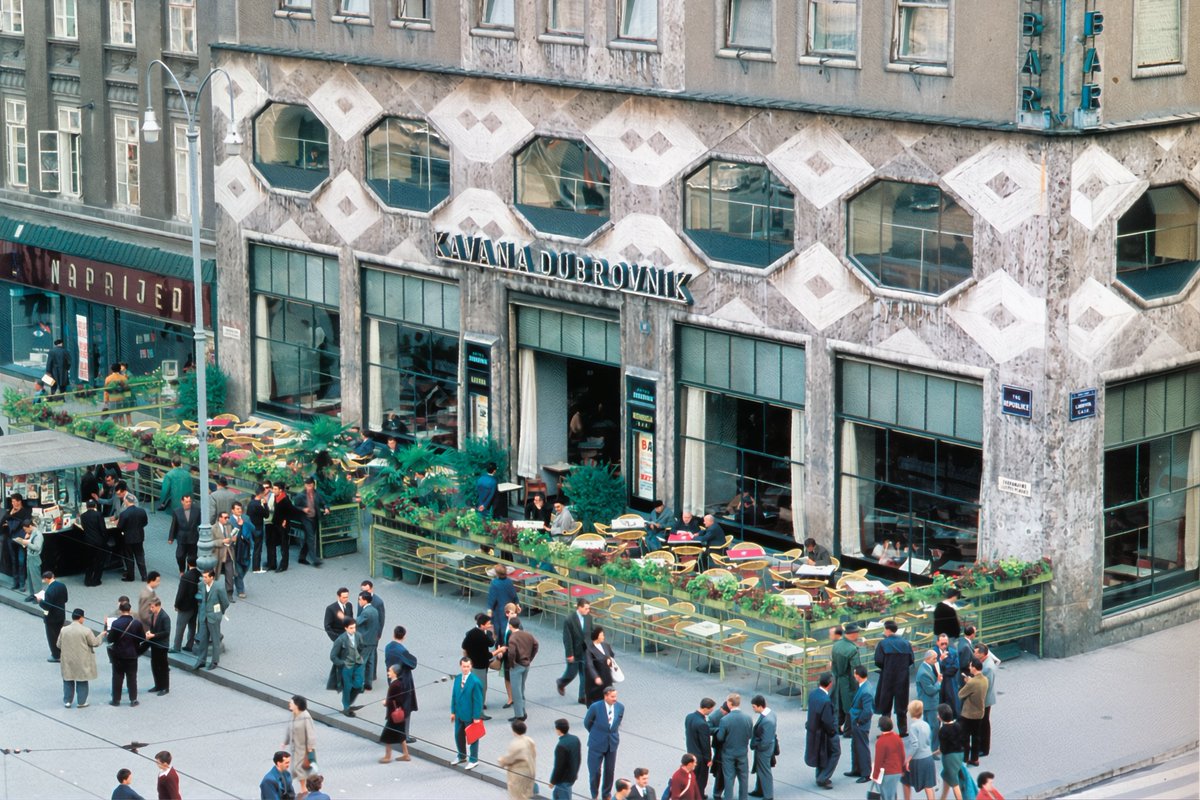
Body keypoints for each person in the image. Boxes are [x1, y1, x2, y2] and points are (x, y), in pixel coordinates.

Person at [583, 686, 624, 800]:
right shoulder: (595, 707)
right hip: (596, 743)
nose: (615, 699)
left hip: (612, 744)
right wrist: (596, 734)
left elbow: (618, 722)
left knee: (610, 771)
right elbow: (587, 722)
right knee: (595, 771)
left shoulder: (620, 707)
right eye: (612, 696)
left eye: (615, 696)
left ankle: (606, 794)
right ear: (605, 696)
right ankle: (594, 794)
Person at [874, 621, 914, 737]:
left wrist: (887, 668)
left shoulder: (883, 644)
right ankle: (903, 730)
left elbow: (878, 661)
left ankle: (886, 730)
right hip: (902, 677)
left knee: (886, 705)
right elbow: (911, 660)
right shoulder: (906, 643)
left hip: (887, 677)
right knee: (902, 704)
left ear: (887, 629)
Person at [58, 607, 101, 708]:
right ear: (81, 618)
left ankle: (67, 701)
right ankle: (81, 702)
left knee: (68, 679)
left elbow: (58, 644)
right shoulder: (86, 631)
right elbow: (94, 643)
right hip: (82, 660)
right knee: (82, 680)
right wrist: (101, 636)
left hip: (68, 660)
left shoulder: (64, 630)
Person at [805, 673, 840, 791]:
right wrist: (833, 732)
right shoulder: (826, 701)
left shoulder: (813, 694)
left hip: (814, 730)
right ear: (830, 684)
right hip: (825, 733)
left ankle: (819, 775)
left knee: (821, 754)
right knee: (835, 752)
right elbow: (828, 721)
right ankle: (823, 777)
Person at [716, 692, 752, 800]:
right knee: (744, 778)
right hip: (742, 752)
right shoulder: (748, 718)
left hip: (728, 753)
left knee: (729, 778)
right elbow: (750, 735)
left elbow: (720, 737)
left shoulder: (725, 720)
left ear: (730, 703)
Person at [450, 655, 485, 770]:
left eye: (468, 666)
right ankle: (461, 756)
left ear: (471, 667)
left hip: (470, 715)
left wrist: (476, 716)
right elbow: (454, 695)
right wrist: (453, 711)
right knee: (458, 735)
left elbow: (478, 701)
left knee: (473, 737)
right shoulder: (458, 678)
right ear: (460, 666)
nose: (466, 669)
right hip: (459, 714)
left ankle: (473, 760)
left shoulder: (475, 681)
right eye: (464, 666)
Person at [107, 600, 144, 707]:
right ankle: (133, 699)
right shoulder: (137, 623)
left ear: (120, 610)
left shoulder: (116, 623)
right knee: (132, 677)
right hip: (132, 654)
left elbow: (110, 639)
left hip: (118, 654)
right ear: (130, 610)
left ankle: (116, 700)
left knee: (117, 677)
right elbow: (142, 638)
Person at [557, 597, 592, 704]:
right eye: (586, 608)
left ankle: (582, 696)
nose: (588, 611)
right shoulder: (569, 620)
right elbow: (567, 639)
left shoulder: (589, 617)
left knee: (585, 674)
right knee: (571, 673)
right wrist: (569, 654)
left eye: (588, 608)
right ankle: (561, 682)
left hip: (585, 650)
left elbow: (591, 632)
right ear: (579, 607)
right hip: (574, 651)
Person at [193, 569, 229, 671]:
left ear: (211, 577)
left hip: (214, 617)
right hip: (204, 616)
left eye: (205, 577)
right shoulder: (201, 585)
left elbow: (225, 602)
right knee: (203, 639)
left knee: (215, 640)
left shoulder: (219, 588)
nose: (203, 579)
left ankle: (214, 661)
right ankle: (201, 661)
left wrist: (219, 613)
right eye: (203, 576)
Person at [461, 613, 496, 717]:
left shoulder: (471, 633)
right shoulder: (482, 635)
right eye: (488, 624)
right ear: (482, 625)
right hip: (480, 666)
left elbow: (464, 646)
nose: (490, 625)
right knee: (481, 688)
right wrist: (499, 650)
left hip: (473, 663)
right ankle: (479, 713)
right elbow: (489, 649)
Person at [505, 616, 538, 722]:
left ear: (510, 626)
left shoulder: (512, 638)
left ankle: (519, 715)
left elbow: (511, 653)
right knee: (522, 688)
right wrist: (530, 658)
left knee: (516, 691)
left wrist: (512, 664)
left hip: (517, 666)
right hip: (526, 665)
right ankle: (523, 711)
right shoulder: (528, 635)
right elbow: (536, 645)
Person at [830, 623, 861, 735]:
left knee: (839, 703)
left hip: (837, 678)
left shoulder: (836, 645)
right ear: (853, 634)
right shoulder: (852, 650)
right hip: (848, 681)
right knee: (850, 705)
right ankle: (848, 730)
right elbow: (855, 669)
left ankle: (837, 726)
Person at [330, 619, 366, 716]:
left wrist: (360, 657)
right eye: (351, 628)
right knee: (347, 687)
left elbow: (361, 647)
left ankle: (349, 701)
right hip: (347, 666)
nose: (354, 630)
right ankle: (346, 707)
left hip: (358, 663)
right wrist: (342, 663)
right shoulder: (340, 640)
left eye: (354, 627)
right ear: (345, 628)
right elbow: (333, 656)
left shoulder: (358, 635)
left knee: (359, 684)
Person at [902, 701, 936, 800]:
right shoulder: (926, 724)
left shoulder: (913, 727)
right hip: (928, 757)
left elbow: (915, 745)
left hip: (918, 760)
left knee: (905, 781)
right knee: (928, 785)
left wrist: (908, 759)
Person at [380, 663, 414, 762]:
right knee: (401, 735)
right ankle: (406, 754)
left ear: (395, 673)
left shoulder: (395, 685)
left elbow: (397, 700)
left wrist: (386, 702)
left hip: (393, 715)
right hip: (399, 714)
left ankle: (387, 756)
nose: (388, 673)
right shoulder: (398, 683)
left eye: (390, 671)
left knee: (387, 736)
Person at [957, 658, 988, 766]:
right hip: (979, 713)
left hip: (969, 714)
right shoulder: (985, 679)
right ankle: (975, 759)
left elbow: (960, 694)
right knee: (976, 737)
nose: (969, 668)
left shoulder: (972, 683)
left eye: (970, 666)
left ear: (974, 668)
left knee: (965, 737)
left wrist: (968, 683)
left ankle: (965, 759)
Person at [845, 665, 874, 782]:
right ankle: (856, 769)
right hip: (857, 722)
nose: (854, 676)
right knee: (855, 746)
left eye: (855, 673)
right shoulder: (864, 687)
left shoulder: (866, 691)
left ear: (858, 675)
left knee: (862, 748)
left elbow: (868, 711)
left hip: (860, 724)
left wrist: (859, 721)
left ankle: (866, 773)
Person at [323, 588, 355, 691]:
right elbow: (327, 626)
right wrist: (337, 639)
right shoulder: (331, 609)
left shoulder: (349, 605)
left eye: (347, 597)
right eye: (344, 597)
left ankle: (336, 682)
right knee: (340, 659)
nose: (346, 599)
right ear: (338, 597)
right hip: (339, 638)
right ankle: (340, 682)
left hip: (349, 637)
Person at [497, 719, 538, 800]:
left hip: (518, 773)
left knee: (517, 796)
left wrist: (501, 761)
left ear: (514, 730)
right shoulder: (529, 740)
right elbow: (534, 754)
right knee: (525, 794)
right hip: (530, 770)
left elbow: (509, 759)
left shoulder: (515, 744)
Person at [684, 698, 715, 798]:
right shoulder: (702, 724)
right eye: (711, 709)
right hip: (700, 757)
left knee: (692, 777)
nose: (711, 711)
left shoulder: (689, 717)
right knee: (701, 780)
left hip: (690, 752)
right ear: (706, 708)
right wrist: (708, 759)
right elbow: (705, 744)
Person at [294, 476, 327, 568]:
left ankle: (302, 557)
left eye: (311, 485)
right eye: (307, 485)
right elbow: (295, 507)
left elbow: (323, 502)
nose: (309, 487)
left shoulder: (317, 494)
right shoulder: (300, 496)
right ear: (305, 486)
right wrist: (303, 509)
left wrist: (326, 508)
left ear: (313, 485)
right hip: (305, 519)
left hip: (314, 518)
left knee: (308, 538)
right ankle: (315, 560)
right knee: (311, 537)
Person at [284, 695, 317, 783]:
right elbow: (289, 729)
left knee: (300, 769)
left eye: (291, 703)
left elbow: (311, 733)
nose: (289, 704)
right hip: (295, 748)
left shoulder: (306, 716)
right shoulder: (293, 714)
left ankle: (304, 787)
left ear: (297, 705)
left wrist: (310, 748)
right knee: (296, 768)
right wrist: (285, 741)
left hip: (303, 749)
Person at [2, 493, 31, 593]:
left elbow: (24, 523)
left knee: (21, 561)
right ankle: (16, 582)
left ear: (19, 502)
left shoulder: (25, 512)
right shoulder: (10, 511)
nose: (13, 503)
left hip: (20, 540)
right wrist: (10, 515)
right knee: (14, 561)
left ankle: (22, 584)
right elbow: (3, 521)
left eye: (14, 501)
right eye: (12, 502)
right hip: (11, 539)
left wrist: (9, 522)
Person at [871, 716, 906, 800]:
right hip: (897, 770)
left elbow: (878, 761)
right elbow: (902, 754)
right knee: (892, 793)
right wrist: (903, 769)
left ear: (880, 727)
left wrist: (875, 776)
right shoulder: (897, 737)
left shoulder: (880, 741)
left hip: (887, 772)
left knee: (886, 795)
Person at [749, 695, 776, 800]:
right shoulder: (770, 714)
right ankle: (759, 790)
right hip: (764, 748)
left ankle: (768, 795)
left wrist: (758, 746)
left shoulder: (768, 720)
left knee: (764, 771)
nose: (753, 709)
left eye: (754, 707)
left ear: (760, 706)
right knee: (760, 770)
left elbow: (766, 741)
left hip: (764, 750)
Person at [171, 558, 200, 653]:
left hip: (185, 606)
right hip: (195, 605)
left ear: (188, 563)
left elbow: (181, 593)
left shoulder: (185, 576)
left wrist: (176, 604)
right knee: (192, 626)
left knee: (180, 627)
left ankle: (176, 647)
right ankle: (189, 645)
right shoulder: (199, 575)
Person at [936, 704, 965, 800]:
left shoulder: (943, 730)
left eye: (938, 714)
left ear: (941, 716)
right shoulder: (958, 726)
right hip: (959, 754)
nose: (937, 716)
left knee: (954, 782)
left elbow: (942, 749)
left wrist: (933, 753)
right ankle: (943, 798)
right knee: (946, 776)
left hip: (949, 758)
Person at [915, 650, 943, 750]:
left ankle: (928, 746)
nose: (936, 660)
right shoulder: (924, 673)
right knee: (934, 727)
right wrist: (938, 682)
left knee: (928, 726)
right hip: (930, 704)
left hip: (928, 703)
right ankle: (934, 748)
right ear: (927, 659)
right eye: (934, 659)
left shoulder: (927, 667)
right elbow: (930, 690)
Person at [144, 599, 171, 696]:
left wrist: (154, 635)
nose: (151, 609)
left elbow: (166, 632)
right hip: (154, 644)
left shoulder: (165, 617)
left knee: (163, 667)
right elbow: (153, 627)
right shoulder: (153, 615)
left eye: (152, 607)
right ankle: (158, 685)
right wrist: (149, 632)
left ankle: (165, 687)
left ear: (158, 606)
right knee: (155, 666)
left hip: (162, 645)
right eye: (150, 607)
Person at [39, 570, 68, 661]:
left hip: (51, 618)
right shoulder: (62, 586)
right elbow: (65, 599)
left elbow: (46, 606)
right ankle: (62, 651)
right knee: (60, 634)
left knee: (52, 637)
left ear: (46, 579)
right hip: (61, 614)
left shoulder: (49, 591)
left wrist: (40, 601)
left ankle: (56, 655)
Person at [167, 495, 200, 575]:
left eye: (190, 501)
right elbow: (174, 525)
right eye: (186, 502)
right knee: (179, 556)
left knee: (192, 557)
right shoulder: (177, 511)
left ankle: (190, 572)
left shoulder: (197, 510)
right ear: (182, 502)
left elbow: (200, 523)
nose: (188, 503)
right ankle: (181, 570)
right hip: (181, 537)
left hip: (193, 537)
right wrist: (171, 537)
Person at [584, 625, 616, 706]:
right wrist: (596, 677)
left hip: (607, 678)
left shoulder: (606, 645)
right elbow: (589, 665)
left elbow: (611, 656)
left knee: (608, 700)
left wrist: (609, 660)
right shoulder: (589, 649)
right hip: (596, 682)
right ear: (596, 635)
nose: (603, 636)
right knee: (596, 702)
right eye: (601, 635)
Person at [973, 644, 996, 758]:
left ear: (982, 654)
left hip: (985, 699)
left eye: (976, 653)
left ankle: (984, 748)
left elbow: (986, 686)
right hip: (984, 698)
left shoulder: (988, 667)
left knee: (984, 723)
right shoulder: (984, 662)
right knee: (982, 723)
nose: (974, 654)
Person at [355, 590, 381, 692]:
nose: (359, 601)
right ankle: (368, 684)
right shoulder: (374, 610)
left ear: (365, 600)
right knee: (370, 662)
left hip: (365, 642)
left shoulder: (366, 612)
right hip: (373, 641)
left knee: (361, 664)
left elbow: (357, 622)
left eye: (360, 599)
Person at [549, 718, 581, 800]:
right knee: (556, 795)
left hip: (563, 779)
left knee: (563, 795)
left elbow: (558, 767)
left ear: (558, 730)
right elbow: (578, 758)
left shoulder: (561, 746)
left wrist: (552, 781)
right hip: (571, 776)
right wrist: (575, 772)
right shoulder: (575, 739)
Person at [12, 518, 42, 602]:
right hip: (29, 557)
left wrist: (27, 543)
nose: (25, 531)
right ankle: (32, 594)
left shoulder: (38, 535)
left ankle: (39, 597)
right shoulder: (31, 533)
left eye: (26, 529)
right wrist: (23, 541)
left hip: (34, 557)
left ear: (30, 526)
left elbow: (37, 547)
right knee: (30, 578)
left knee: (36, 579)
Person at [487, 565, 519, 643]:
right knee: (508, 626)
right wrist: (517, 604)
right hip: (509, 608)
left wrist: (490, 609)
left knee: (498, 628)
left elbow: (492, 597)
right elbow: (514, 595)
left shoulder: (494, 583)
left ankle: (500, 644)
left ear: (497, 573)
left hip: (498, 610)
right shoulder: (509, 581)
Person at [81, 500, 108, 587]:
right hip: (99, 542)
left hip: (88, 541)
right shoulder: (99, 515)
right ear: (95, 506)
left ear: (86, 506)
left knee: (89, 562)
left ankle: (87, 580)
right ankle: (96, 580)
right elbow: (103, 529)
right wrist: (105, 539)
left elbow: (83, 527)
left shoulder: (83, 516)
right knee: (99, 561)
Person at [246, 483, 271, 574]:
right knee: (258, 548)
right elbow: (266, 515)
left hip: (251, 527)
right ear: (261, 493)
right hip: (258, 527)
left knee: (252, 547)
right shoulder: (258, 505)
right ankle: (256, 568)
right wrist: (265, 504)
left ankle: (251, 565)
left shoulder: (251, 503)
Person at [269, 482, 294, 572]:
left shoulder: (285, 500)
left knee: (284, 546)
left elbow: (290, 511)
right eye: (273, 488)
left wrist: (285, 520)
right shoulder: (276, 497)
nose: (273, 490)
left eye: (275, 489)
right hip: (276, 523)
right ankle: (273, 564)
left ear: (281, 490)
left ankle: (283, 565)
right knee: (272, 543)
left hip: (283, 525)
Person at [935, 633, 961, 715]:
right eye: (942, 644)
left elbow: (955, 668)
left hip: (950, 683)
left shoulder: (953, 652)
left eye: (946, 643)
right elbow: (933, 669)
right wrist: (940, 660)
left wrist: (943, 672)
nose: (944, 646)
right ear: (937, 642)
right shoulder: (933, 653)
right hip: (939, 683)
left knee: (953, 704)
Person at [230, 501, 251, 598]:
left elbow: (253, 529)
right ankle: (240, 590)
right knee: (238, 569)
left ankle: (238, 579)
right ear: (232, 510)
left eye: (240, 508)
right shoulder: (229, 521)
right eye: (237, 509)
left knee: (246, 566)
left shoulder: (246, 518)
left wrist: (244, 524)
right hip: (235, 548)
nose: (240, 510)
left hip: (245, 547)